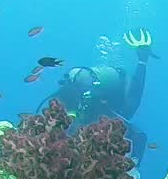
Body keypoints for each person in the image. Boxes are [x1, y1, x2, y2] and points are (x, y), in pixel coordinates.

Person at [42, 29, 155, 170]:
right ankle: (132, 173)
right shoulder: (120, 103)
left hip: (78, 117)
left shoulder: (73, 92)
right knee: (137, 132)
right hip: (93, 118)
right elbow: (137, 89)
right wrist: (142, 61)